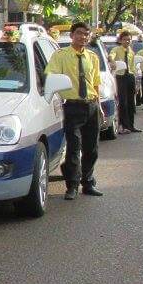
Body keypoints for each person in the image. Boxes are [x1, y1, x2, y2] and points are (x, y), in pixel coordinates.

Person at [45, 21, 103, 200]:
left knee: (91, 149)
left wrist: (99, 106)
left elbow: (95, 84)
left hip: (91, 105)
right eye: (79, 33)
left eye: (86, 34)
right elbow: (51, 76)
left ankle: (88, 182)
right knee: (73, 148)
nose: (83, 37)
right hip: (72, 106)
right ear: (71, 35)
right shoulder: (60, 55)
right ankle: (72, 186)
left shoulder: (92, 57)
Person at [108, 31, 141, 134]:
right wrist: (112, 61)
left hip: (130, 77)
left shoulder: (131, 51)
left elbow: (133, 67)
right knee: (123, 102)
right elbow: (111, 56)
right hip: (120, 77)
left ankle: (131, 126)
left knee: (131, 103)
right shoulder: (116, 49)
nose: (127, 41)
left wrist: (136, 81)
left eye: (129, 39)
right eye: (125, 39)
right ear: (120, 40)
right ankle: (123, 126)